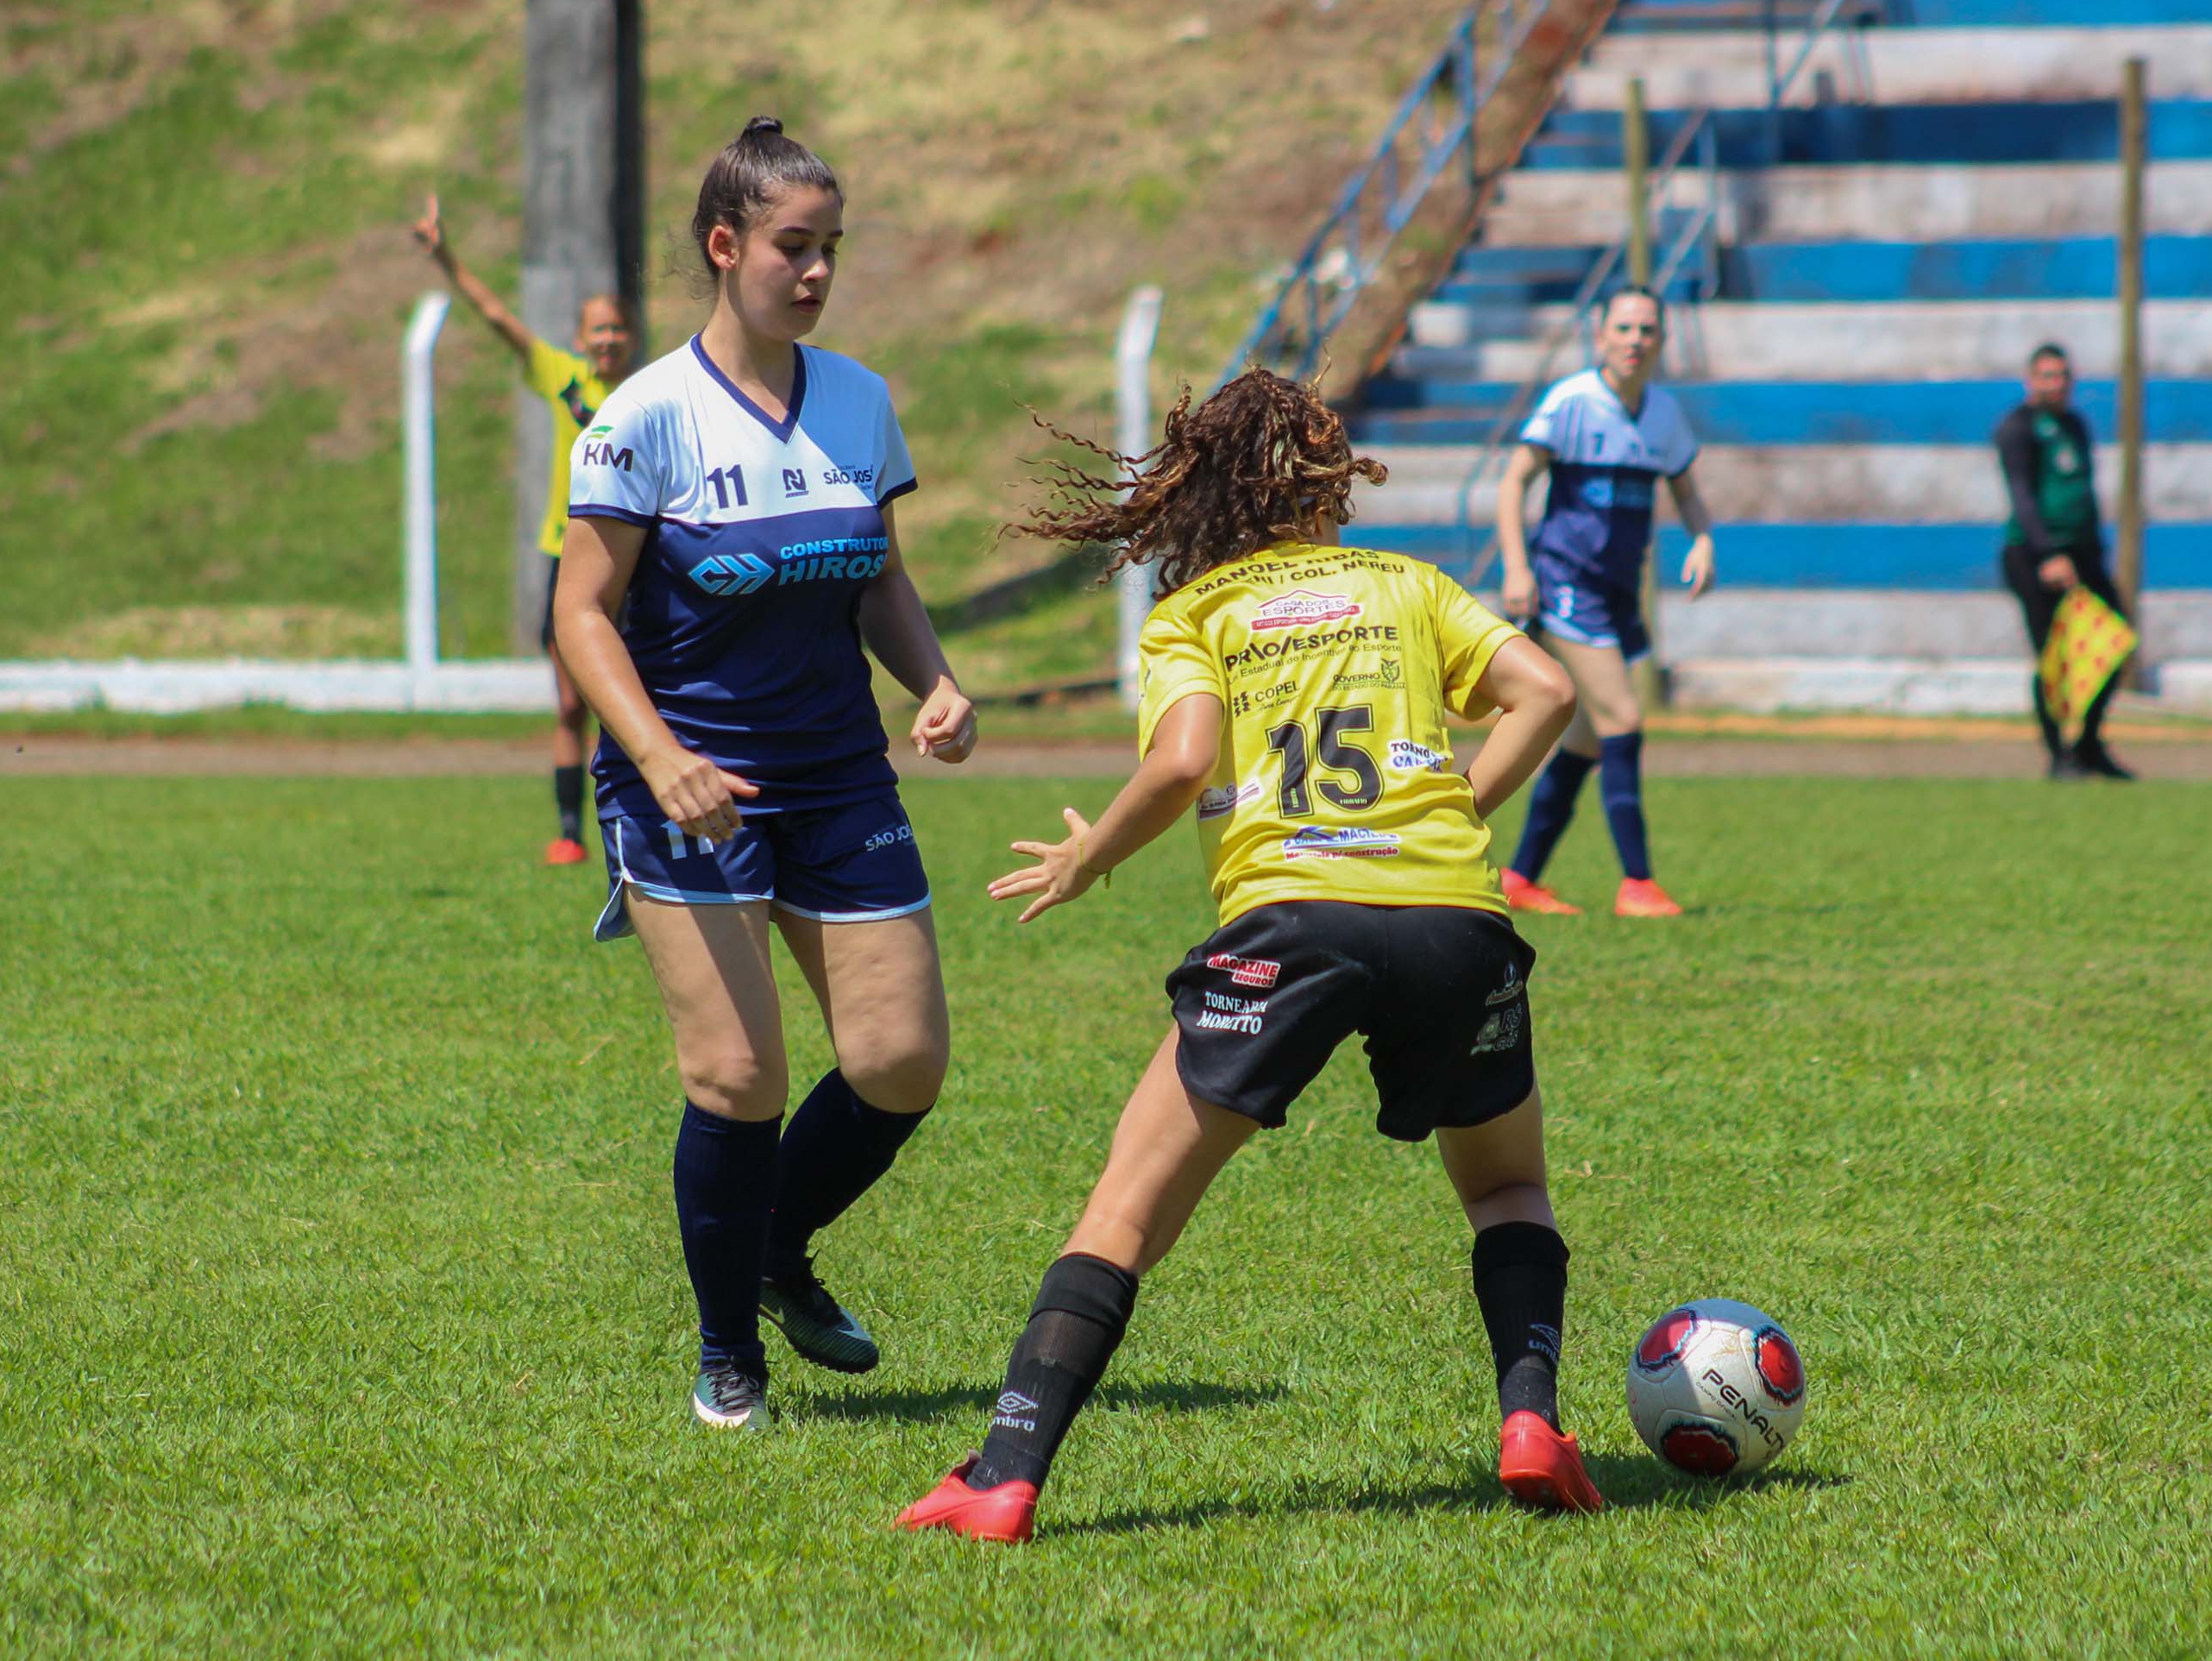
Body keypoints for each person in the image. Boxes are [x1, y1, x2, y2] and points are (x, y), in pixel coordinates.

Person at [897, 368, 1592, 1545]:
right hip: (1455, 920)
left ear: (1203, 485)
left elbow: (1179, 767)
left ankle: (1005, 1474)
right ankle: (1531, 1424)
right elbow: (1548, 690)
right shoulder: (1408, 584)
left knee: (1123, 1213)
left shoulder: (1200, 613)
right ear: (1328, 472)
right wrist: (1453, 811)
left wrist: (1085, 861)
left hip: (1293, 921)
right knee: (1507, 1187)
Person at [555, 116, 977, 1431]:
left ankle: (774, 1246)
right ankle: (728, 1345)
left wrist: (940, 682)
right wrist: (661, 756)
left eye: (831, 248)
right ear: (724, 246)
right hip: (693, 787)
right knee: (738, 1077)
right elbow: (581, 615)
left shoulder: (858, 397)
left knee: (901, 1062)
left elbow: (879, 577)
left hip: (841, 777)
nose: (817, 272)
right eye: (794, 246)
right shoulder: (643, 420)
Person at [412, 195, 638, 865]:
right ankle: (570, 832)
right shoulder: (565, 380)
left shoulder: (649, 397)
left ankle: (633, 832)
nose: (606, 340)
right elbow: (495, 316)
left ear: (631, 337)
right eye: (595, 330)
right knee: (571, 705)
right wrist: (446, 256)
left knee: (630, 706)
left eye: (616, 330)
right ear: (579, 339)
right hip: (563, 560)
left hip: (629, 564)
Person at [1491, 286, 1714, 918]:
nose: (1635, 340)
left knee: (1588, 741)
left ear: (1662, 341)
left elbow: (1688, 492)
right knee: (1622, 717)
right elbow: (1514, 482)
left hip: (1618, 591)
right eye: (1623, 328)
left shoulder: (1665, 415)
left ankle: (1520, 877)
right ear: (1601, 337)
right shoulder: (1572, 401)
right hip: (1566, 583)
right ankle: (1637, 884)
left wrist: (1703, 540)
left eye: (1647, 329)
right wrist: (1515, 565)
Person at [1995, 343, 2134, 781]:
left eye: (2063, 376)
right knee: (2053, 658)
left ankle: (2090, 743)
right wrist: (2048, 553)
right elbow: (2022, 496)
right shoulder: (2017, 429)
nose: (2056, 385)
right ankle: (2060, 756)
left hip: (2082, 553)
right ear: (2030, 381)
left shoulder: (2075, 424)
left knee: (2116, 641)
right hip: (2035, 556)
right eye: (2047, 376)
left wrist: (2093, 552)